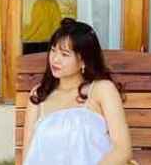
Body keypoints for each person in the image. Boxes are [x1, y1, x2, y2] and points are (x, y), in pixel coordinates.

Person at [23, 18, 134, 165]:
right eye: (53, 50)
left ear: (83, 60)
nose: (55, 59)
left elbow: (122, 150)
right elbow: (28, 156)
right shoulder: (39, 95)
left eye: (65, 54)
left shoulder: (101, 90)